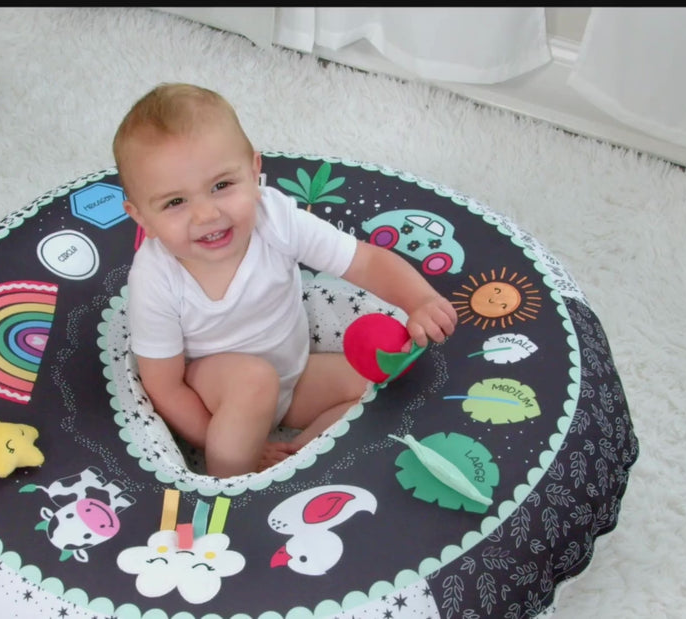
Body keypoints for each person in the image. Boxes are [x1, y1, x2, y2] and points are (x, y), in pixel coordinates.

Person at [114, 83, 458, 477]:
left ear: (254, 172)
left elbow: (364, 261)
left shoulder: (276, 220)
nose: (207, 215)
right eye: (175, 202)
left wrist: (420, 301)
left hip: (290, 380)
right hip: (213, 400)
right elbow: (165, 388)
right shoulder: (155, 278)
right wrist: (219, 440)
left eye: (222, 186)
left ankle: (296, 459)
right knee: (253, 381)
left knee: (372, 382)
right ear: (141, 217)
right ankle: (232, 483)